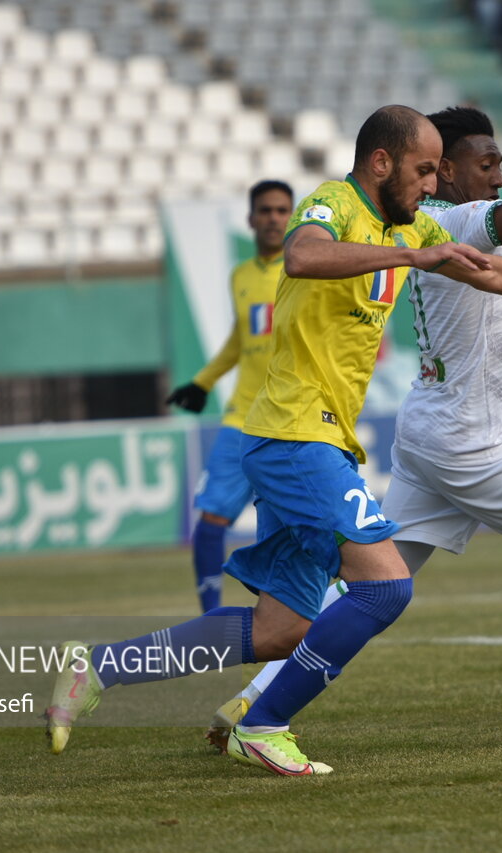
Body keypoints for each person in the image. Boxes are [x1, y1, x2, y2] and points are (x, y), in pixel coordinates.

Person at [44, 104, 502, 776]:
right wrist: (414, 252)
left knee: (281, 629)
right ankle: (265, 723)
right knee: (385, 588)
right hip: (293, 436)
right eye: (421, 170)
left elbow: (490, 272)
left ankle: (101, 665)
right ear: (381, 163)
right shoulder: (334, 204)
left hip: (320, 442)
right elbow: (301, 257)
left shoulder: (410, 222)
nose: (429, 183)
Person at [204, 100, 502, 745]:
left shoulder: (439, 233)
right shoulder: (451, 219)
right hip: (475, 442)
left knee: (375, 583)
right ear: (448, 174)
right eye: (481, 164)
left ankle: (252, 701)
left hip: (432, 436)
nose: (497, 177)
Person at [165, 180, 294, 612]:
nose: (274, 218)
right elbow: (241, 341)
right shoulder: (240, 276)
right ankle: (210, 617)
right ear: (252, 219)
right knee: (209, 525)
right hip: (242, 417)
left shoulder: (307, 269)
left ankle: (300, 612)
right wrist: (202, 382)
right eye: (266, 210)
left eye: (281, 210)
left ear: (292, 216)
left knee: (298, 528)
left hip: (291, 418)